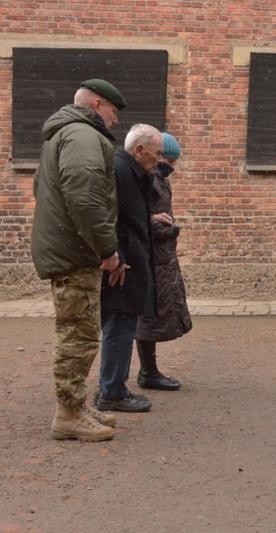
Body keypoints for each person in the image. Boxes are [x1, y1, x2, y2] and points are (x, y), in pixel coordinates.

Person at [31, 79, 128, 441]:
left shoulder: (63, 135)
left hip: (68, 248)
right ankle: (68, 414)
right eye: (113, 112)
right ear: (97, 104)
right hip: (75, 253)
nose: (115, 122)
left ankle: (76, 404)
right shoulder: (83, 137)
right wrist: (107, 249)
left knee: (80, 331)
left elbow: (41, 185)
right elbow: (85, 198)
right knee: (79, 334)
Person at [94, 124, 162, 413]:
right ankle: (112, 391)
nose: (159, 159)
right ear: (139, 150)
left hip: (127, 259)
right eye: (156, 153)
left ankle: (112, 387)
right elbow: (107, 215)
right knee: (120, 325)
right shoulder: (120, 171)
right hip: (124, 264)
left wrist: (150, 218)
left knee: (121, 324)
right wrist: (115, 255)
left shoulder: (129, 170)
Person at [134, 132, 192, 390]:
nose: (172, 166)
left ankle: (149, 371)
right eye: (168, 159)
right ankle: (147, 373)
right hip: (153, 260)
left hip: (160, 259)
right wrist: (169, 230)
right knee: (148, 316)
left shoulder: (159, 179)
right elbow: (140, 220)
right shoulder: (149, 180)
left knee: (151, 315)